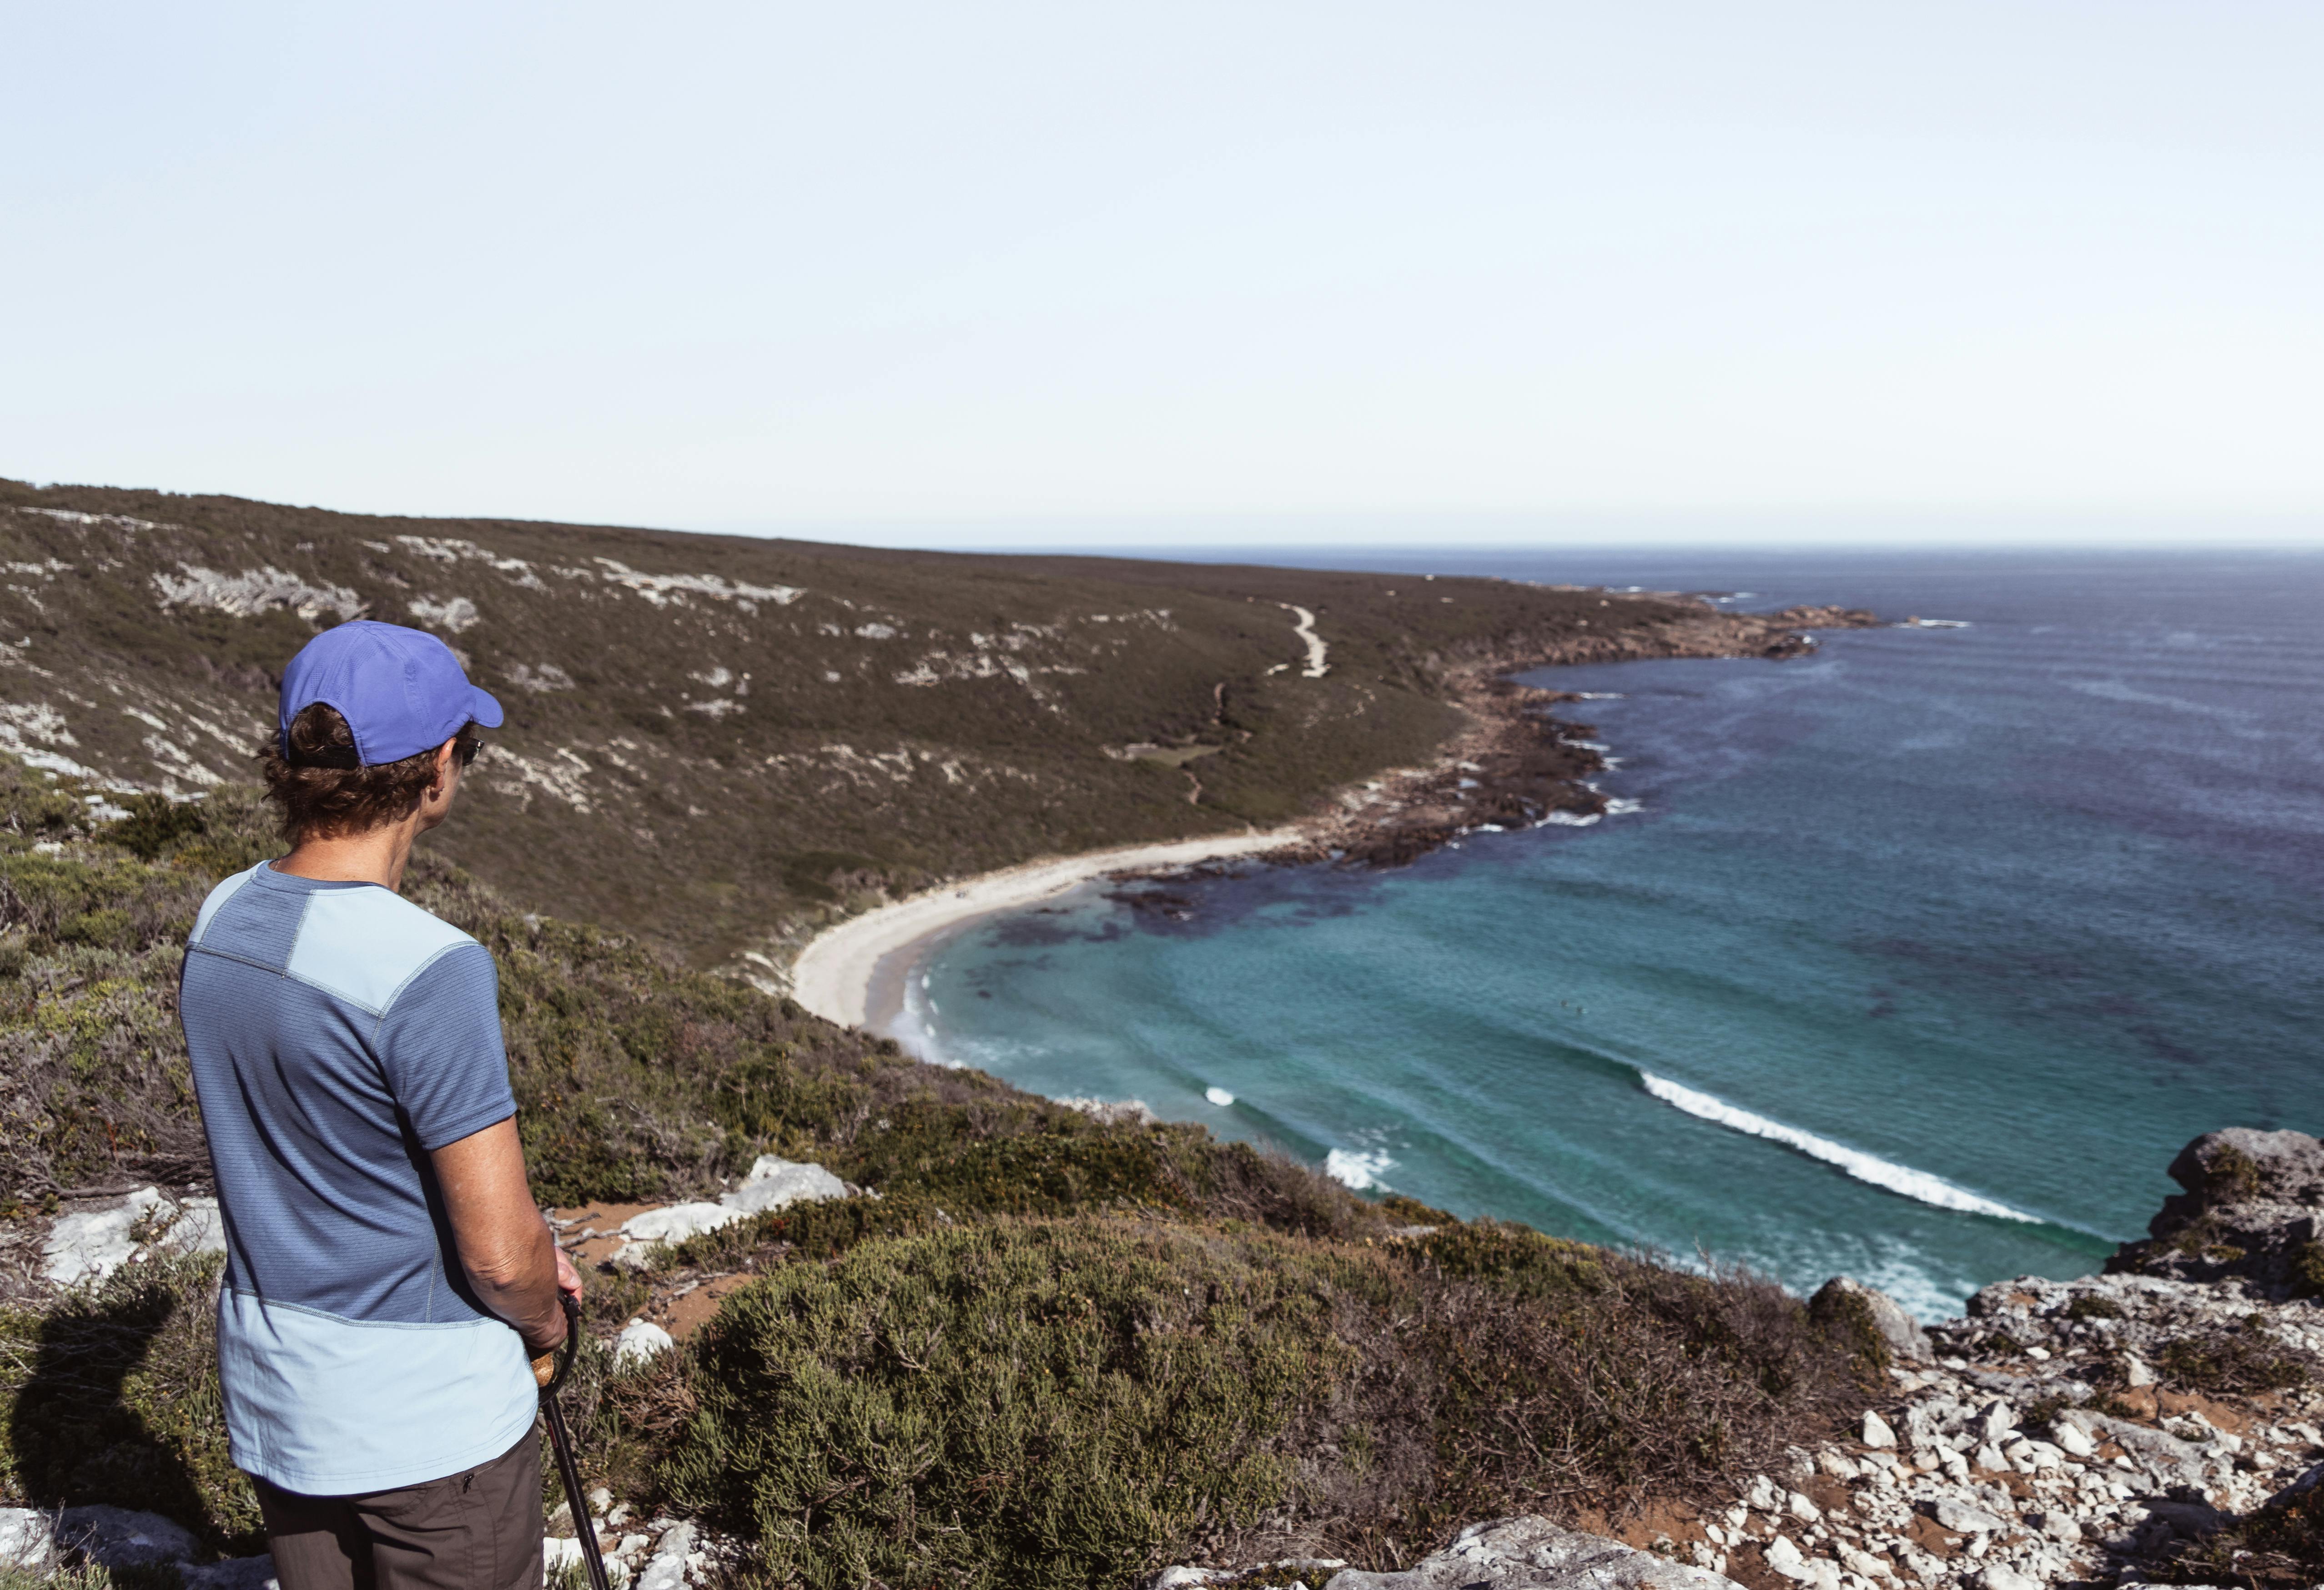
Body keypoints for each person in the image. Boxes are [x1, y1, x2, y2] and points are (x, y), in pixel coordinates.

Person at [180, 620, 582, 1590]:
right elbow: (495, 1251)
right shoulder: (429, 967)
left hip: (283, 1401)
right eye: (466, 747)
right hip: (428, 1428)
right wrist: (546, 1320)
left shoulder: (223, 913)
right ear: (438, 766)